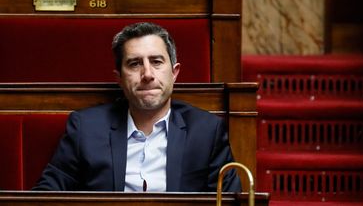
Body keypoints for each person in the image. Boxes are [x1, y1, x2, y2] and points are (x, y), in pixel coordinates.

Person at [33, 22, 241, 192]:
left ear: (174, 72)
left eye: (157, 62)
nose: (147, 74)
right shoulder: (85, 128)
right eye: (134, 64)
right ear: (120, 78)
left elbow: (230, 199)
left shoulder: (206, 131)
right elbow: (47, 195)